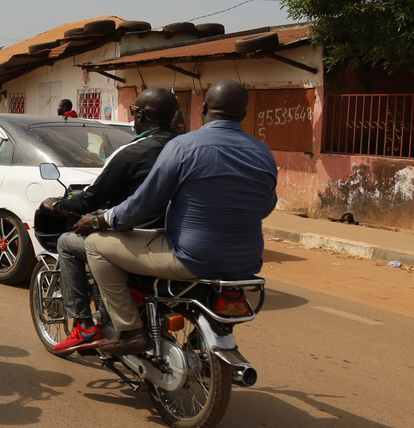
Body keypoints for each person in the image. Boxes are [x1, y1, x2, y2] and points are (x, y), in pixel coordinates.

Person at [72, 79, 278, 355]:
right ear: (243, 115)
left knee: (96, 245)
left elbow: (144, 203)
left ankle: (131, 330)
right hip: (246, 261)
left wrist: (100, 221)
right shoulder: (263, 152)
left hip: (190, 256)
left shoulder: (185, 146)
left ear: (203, 109)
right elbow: (265, 206)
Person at [39, 87, 180, 353]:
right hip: (181, 239)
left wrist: (59, 205)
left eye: (133, 112)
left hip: (140, 240)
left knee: (69, 243)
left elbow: (91, 199)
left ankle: (84, 326)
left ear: (139, 115)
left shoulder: (131, 152)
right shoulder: (184, 147)